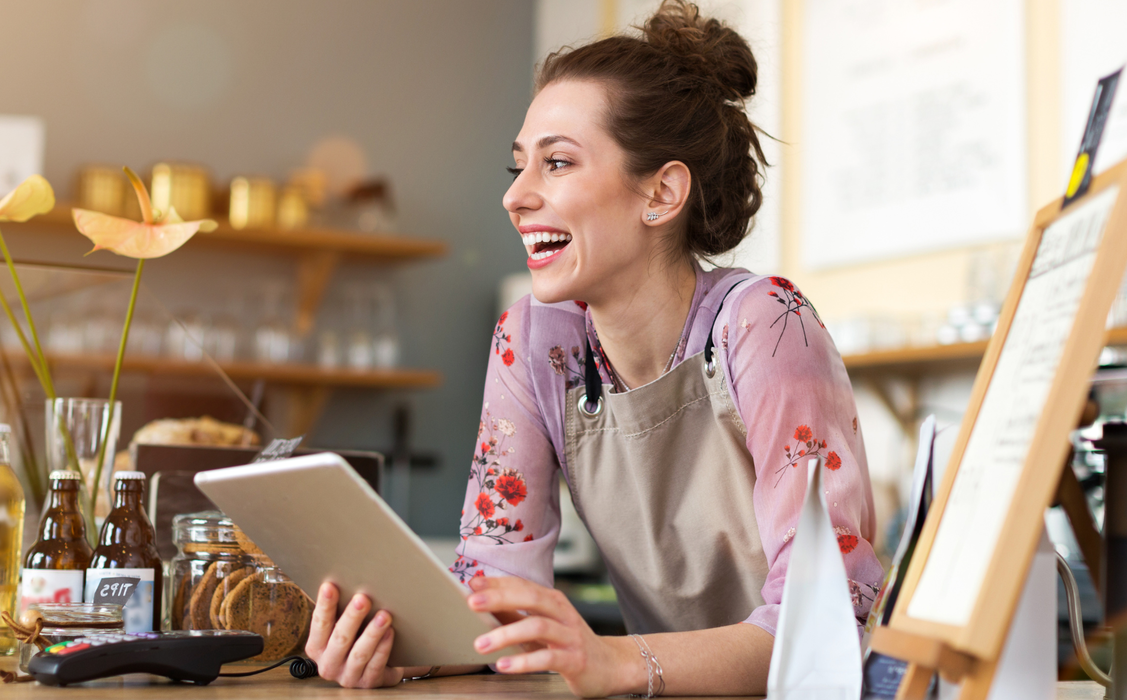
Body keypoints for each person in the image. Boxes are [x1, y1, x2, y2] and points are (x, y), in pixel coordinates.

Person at [304, 1, 883, 695]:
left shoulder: (765, 324)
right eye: (519, 166)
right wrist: (412, 648)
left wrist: (615, 661)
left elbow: (824, 622)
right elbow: (498, 588)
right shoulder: (534, 340)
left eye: (557, 163)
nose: (516, 197)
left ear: (662, 193)